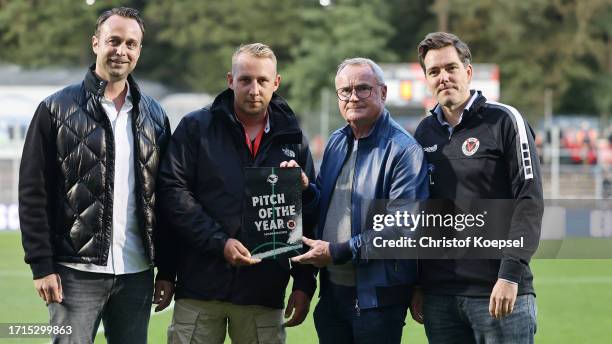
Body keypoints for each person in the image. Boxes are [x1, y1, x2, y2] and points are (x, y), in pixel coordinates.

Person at [18, 7, 172, 344]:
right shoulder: (54, 109)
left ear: (139, 50)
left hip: (137, 273)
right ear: (95, 44)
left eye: (131, 44)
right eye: (113, 41)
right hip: (74, 273)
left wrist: (168, 270)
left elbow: (165, 195)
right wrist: (41, 266)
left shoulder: (155, 115)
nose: (121, 50)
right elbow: (32, 192)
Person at [156, 43, 317, 344]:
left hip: (263, 293)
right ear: (231, 80)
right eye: (245, 80)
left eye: (262, 81)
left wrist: (304, 284)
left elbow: (307, 215)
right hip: (200, 288)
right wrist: (218, 243)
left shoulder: (294, 140)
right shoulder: (196, 128)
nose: (254, 89)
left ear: (276, 83)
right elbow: (172, 194)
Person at [411, 32, 544, 343]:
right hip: (440, 298)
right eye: (434, 71)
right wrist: (418, 282)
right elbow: (422, 212)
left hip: (497, 292)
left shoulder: (505, 120)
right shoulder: (423, 132)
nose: (443, 77)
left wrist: (510, 274)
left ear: (467, 72)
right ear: (427, 80)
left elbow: (530, 201)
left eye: (450, 68)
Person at [291, 58, 429, 344]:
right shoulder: (336, 142)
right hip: (331, 296)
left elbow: (401, 230)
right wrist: (305, 191)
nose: (353, 97)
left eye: (363, 88)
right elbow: (322, 210)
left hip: (376, 302)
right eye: (345, 90)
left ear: (383, 92)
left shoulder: (404, 150)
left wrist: (337, 251)